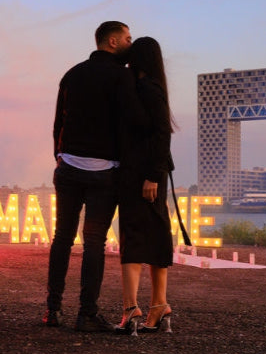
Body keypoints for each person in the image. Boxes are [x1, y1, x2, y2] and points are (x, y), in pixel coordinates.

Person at [45, 21, 145, 332]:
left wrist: (60, 155)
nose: (131, 43)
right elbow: (133, 121)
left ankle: (52, 310)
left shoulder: (72, 74)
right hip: (103, 172)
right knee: (93, 242)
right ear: (113, 42)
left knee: (62, 237)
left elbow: (58, 123)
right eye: (127, 38)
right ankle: (86, 313)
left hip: (69, 167)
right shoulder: (122, 76)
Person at [116, 37, 177, 335]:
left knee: (134, 235)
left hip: (142, 173)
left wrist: (152, 175)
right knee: (155, 233)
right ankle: (158, 305)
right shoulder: (152, 86)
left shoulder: (145, 88)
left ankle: (132, 308)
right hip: (151, 172)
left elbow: (163, 132)